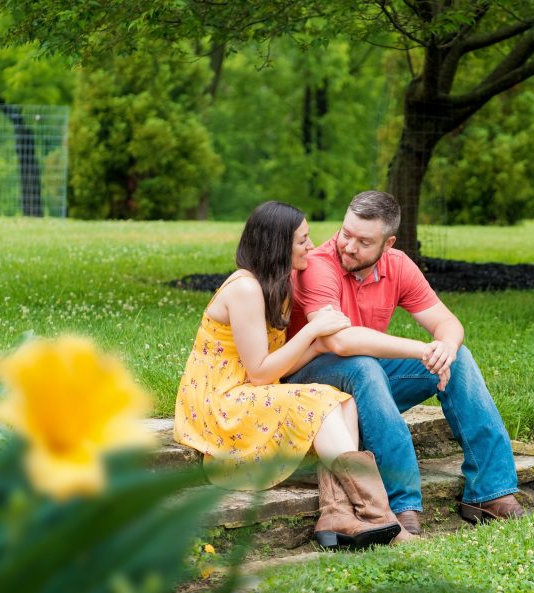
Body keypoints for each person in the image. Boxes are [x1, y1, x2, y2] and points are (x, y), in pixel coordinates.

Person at [173, 200, 411, 549]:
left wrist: (316, 345)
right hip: (220, 402)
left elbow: (273, 367)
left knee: (342, 401)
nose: (312, 247)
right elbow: (259, 373)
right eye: (302, 240)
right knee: (321, 403)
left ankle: (336, 515)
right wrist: (311, 334)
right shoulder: (245, 288)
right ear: (279, 245)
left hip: (248, 391)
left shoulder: (277, 286)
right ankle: (380, 516)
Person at [285, 190, 525, 535]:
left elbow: (448, 324)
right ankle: (401, 503)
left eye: (364, 241)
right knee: (364, 365)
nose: (349, 247)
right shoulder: (319, 266)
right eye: (345, 233)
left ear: (388, 243)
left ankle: (490, 492)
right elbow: (338, 340)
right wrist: (419, 348)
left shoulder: (397, 265)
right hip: (308, 382)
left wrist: (445, 346)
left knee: (458, 359)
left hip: (366, 381)